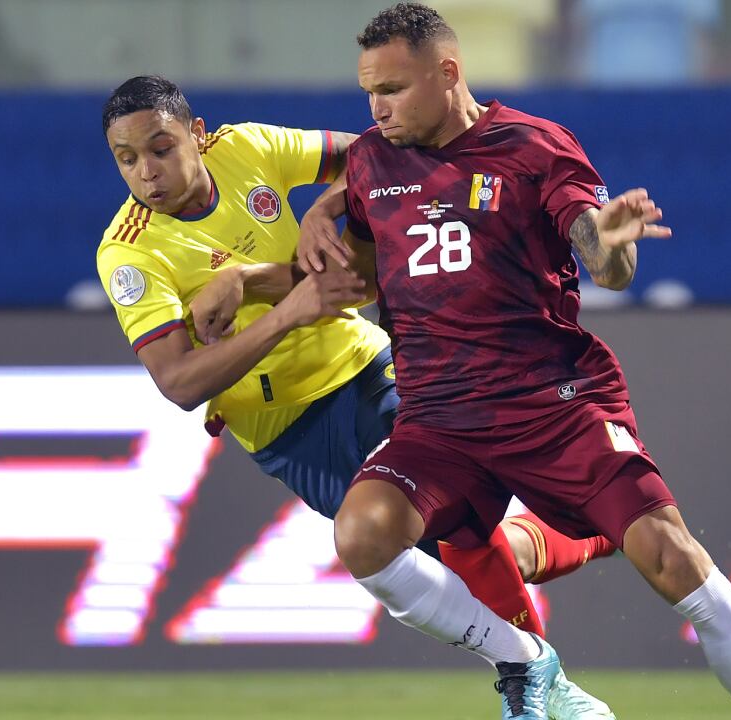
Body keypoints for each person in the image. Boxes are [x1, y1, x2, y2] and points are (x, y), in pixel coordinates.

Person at [302, 5, 731, 720]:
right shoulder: (373, 160)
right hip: (438, 422)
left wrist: (612, 246)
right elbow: (352, 253)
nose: (376, 109)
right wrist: (278, 256)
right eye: (369, 92)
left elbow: (607, 263)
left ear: (448, 73)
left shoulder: (534, 146)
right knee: (363, 534)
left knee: (669, 557)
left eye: (393, 89)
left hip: (552, 404)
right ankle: (526, 661)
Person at [97, 75, 616, 719]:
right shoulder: (129, 253)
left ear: (197, 135)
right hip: (287, 434)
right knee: (452, 556)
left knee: (455, 523)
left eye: (161, 148)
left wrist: (322, 211)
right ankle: (593, 530)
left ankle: (536, 684)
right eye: (127, 159)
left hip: (368, 368)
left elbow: (374, 154)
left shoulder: (246, 148)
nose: (147, 173)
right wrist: (288, 310)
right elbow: (179, 383)